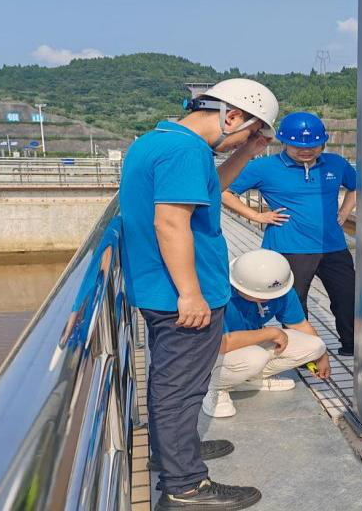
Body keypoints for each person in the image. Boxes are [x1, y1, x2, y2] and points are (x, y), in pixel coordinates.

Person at [119, 78, 278, 510]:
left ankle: (171, 452)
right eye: (249, 132)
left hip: (159, 289)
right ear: (232, 116)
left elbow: (210, 189)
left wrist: (246, 152)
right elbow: (170, 222)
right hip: (181, 296)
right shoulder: (185, 151)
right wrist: (190, 293)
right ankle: (186, 485)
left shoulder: (160, 141)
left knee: (169, 382)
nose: (244, 141)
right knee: (181, 390)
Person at [222, 112, 357, 355]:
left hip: (333, 246)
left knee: (347, 297)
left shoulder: (335, 163)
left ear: (323, 143)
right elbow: (225, 191)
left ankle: (351, 346)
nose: (306, 151)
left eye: (313, 145)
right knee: (295, 303)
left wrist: (344, 212)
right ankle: (304, 354)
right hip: (288, 247)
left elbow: (357, 187)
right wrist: (256, 216)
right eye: (298, 147)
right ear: (284, 142)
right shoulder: (264, 167)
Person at [203, 249, 331, 418]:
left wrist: (322, 356)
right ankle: (214, 387)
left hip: (247, 343)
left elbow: (300, 325)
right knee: (256, 357)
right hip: (210, 352)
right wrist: (270, 333)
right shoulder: (219, 294)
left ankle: (246, 379)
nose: (268, 299)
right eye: (261, 296)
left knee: (316, 345)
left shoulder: (280, 290)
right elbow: (221, 344)